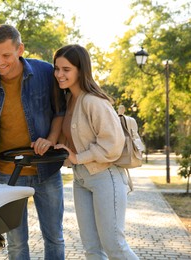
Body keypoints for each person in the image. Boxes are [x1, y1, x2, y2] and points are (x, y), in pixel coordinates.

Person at [0, 24, 66, 260]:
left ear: (20, 49)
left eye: (6, 55)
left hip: (47, 169)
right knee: (16, 243)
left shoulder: (45, 73)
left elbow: (60, 111)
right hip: (8, 174)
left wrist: (51, 139)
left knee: (54, 237)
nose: (0, 62)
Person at [53, 44, 139, 259]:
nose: (59, 74)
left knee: (115, 246)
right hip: (81, 179)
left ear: (81, 70)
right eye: (57, 68)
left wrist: (79, 157)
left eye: (66, 69)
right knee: (92, 249)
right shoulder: (69, 99)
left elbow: (113, 144)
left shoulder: (94, 101)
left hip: (105, 176)